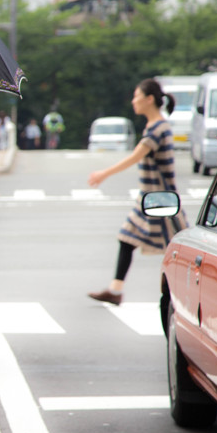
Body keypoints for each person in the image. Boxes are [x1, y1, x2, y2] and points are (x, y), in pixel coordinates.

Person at [87, 78, 188, 305]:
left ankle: (185, 293)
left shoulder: (158, 128)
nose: (133, 101)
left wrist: (103, 174)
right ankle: (115, 290)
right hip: (151, 198)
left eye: (137, 96)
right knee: (129, 240)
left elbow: (136, 156)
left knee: (179, 249)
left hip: (160, 199)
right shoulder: (156, 126)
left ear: (149, 99)